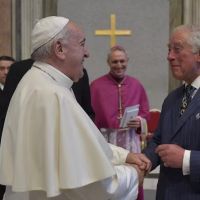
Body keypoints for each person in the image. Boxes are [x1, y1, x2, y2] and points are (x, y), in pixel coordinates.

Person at [0, 16, 150, 200]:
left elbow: (80, 146)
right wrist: (133, 174)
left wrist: (124, 156)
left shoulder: (35, 82)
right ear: (59, 49)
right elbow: (95, 188)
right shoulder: (53, 95)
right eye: (82, 44)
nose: (86, 53)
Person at [140, 25, 200, 199]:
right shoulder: (172, 99)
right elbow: (159, 140)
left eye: (177, 49)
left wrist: (186, 159)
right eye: (169, 49)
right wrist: (144, 161)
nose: (169, 56)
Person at [90, 45, 150, 200]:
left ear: (127, 61)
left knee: (133, 181)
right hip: (107, 141)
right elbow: (89, 117)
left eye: (122, 61)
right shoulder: (96, 86)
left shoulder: (136, 85)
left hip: (130, 141)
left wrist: (139, 122)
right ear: (108, 63)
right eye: (115, 61)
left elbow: (145, 112)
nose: (119, 65)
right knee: (109, 183)